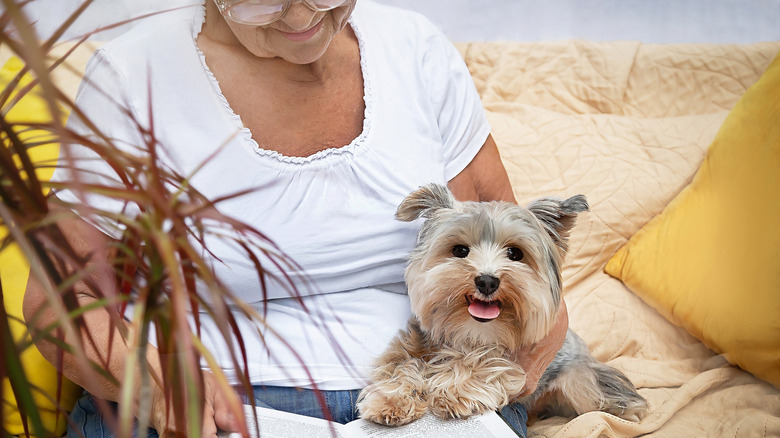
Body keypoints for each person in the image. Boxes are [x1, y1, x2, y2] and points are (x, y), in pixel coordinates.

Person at [24, 0, 569, 436]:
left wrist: (511, 376)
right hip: (217, 403)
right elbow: (58, 304)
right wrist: (151, 381)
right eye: (263, 4)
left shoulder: (416, 50)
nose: (303, 18)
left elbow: (526, 258)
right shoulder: (132, 73)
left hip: (426, 389)